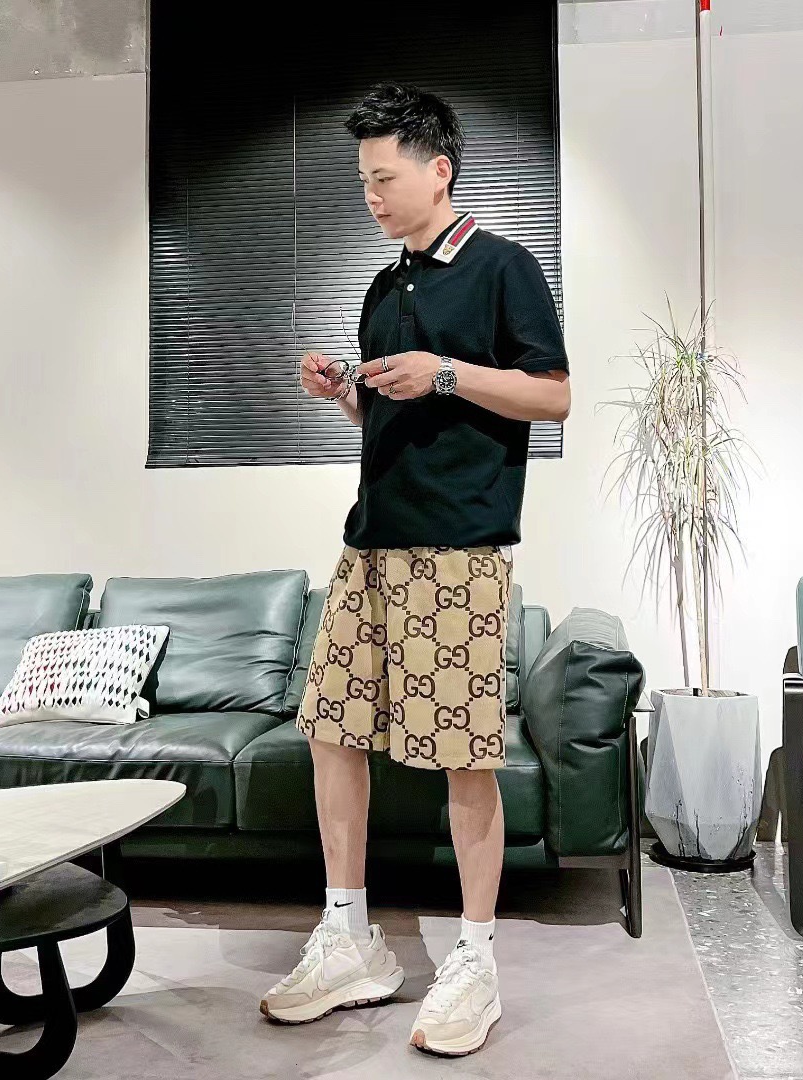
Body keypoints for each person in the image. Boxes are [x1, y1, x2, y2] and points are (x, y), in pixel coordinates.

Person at [260, 81, 571, 1057]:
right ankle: (349, 937)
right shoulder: (381, 286)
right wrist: (345, 395)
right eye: (362, 181)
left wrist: (445, 371)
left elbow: (553, 395)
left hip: (458, 552)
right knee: (330, 729)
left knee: (464, 757)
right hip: (369, 542)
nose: (372, 197)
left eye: (384, 178)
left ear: (439, 170)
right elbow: (391, 416)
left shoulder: (504, 267)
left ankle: (475, 960)